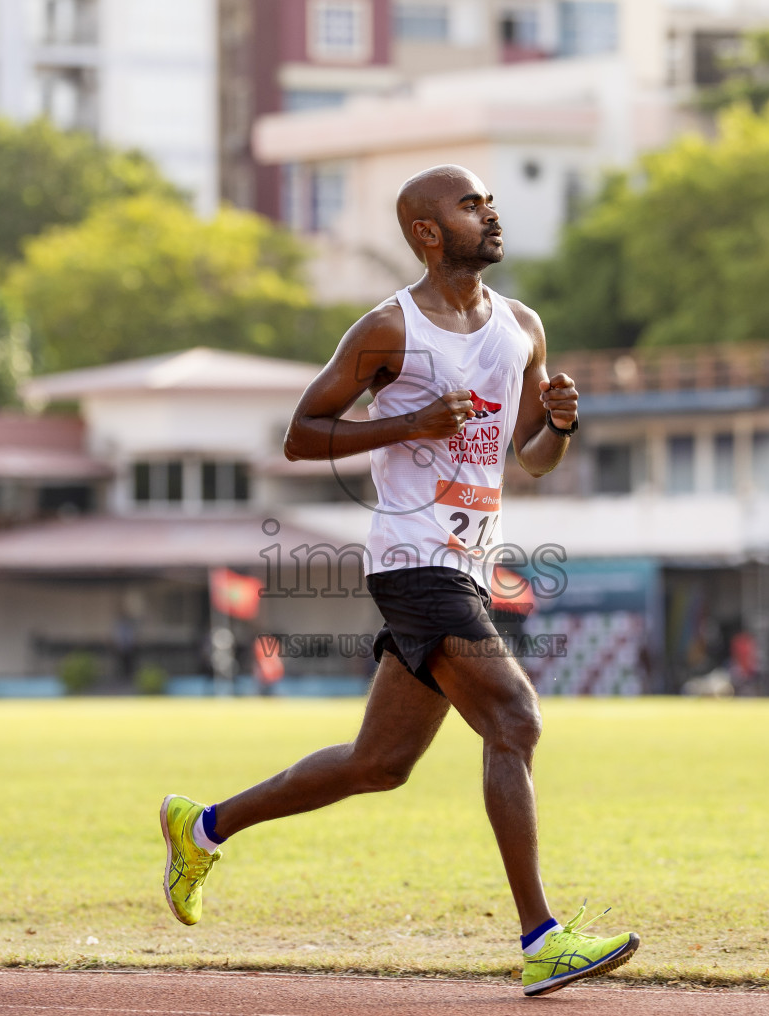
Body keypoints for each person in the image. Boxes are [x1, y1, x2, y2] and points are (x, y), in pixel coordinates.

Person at [160, 165, 639, 997]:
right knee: (515, 720)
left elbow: (529, 457)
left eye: (488, 201)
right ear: (426, 232)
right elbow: (301, 436)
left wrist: (560, 423)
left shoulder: (522, 326)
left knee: (379, 763)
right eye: (469, 204)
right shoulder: (390, 329)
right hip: (413, 559)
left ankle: (201, 829)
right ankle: (542, 939)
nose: (488, 214)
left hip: (469, 565)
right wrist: (410, 421)